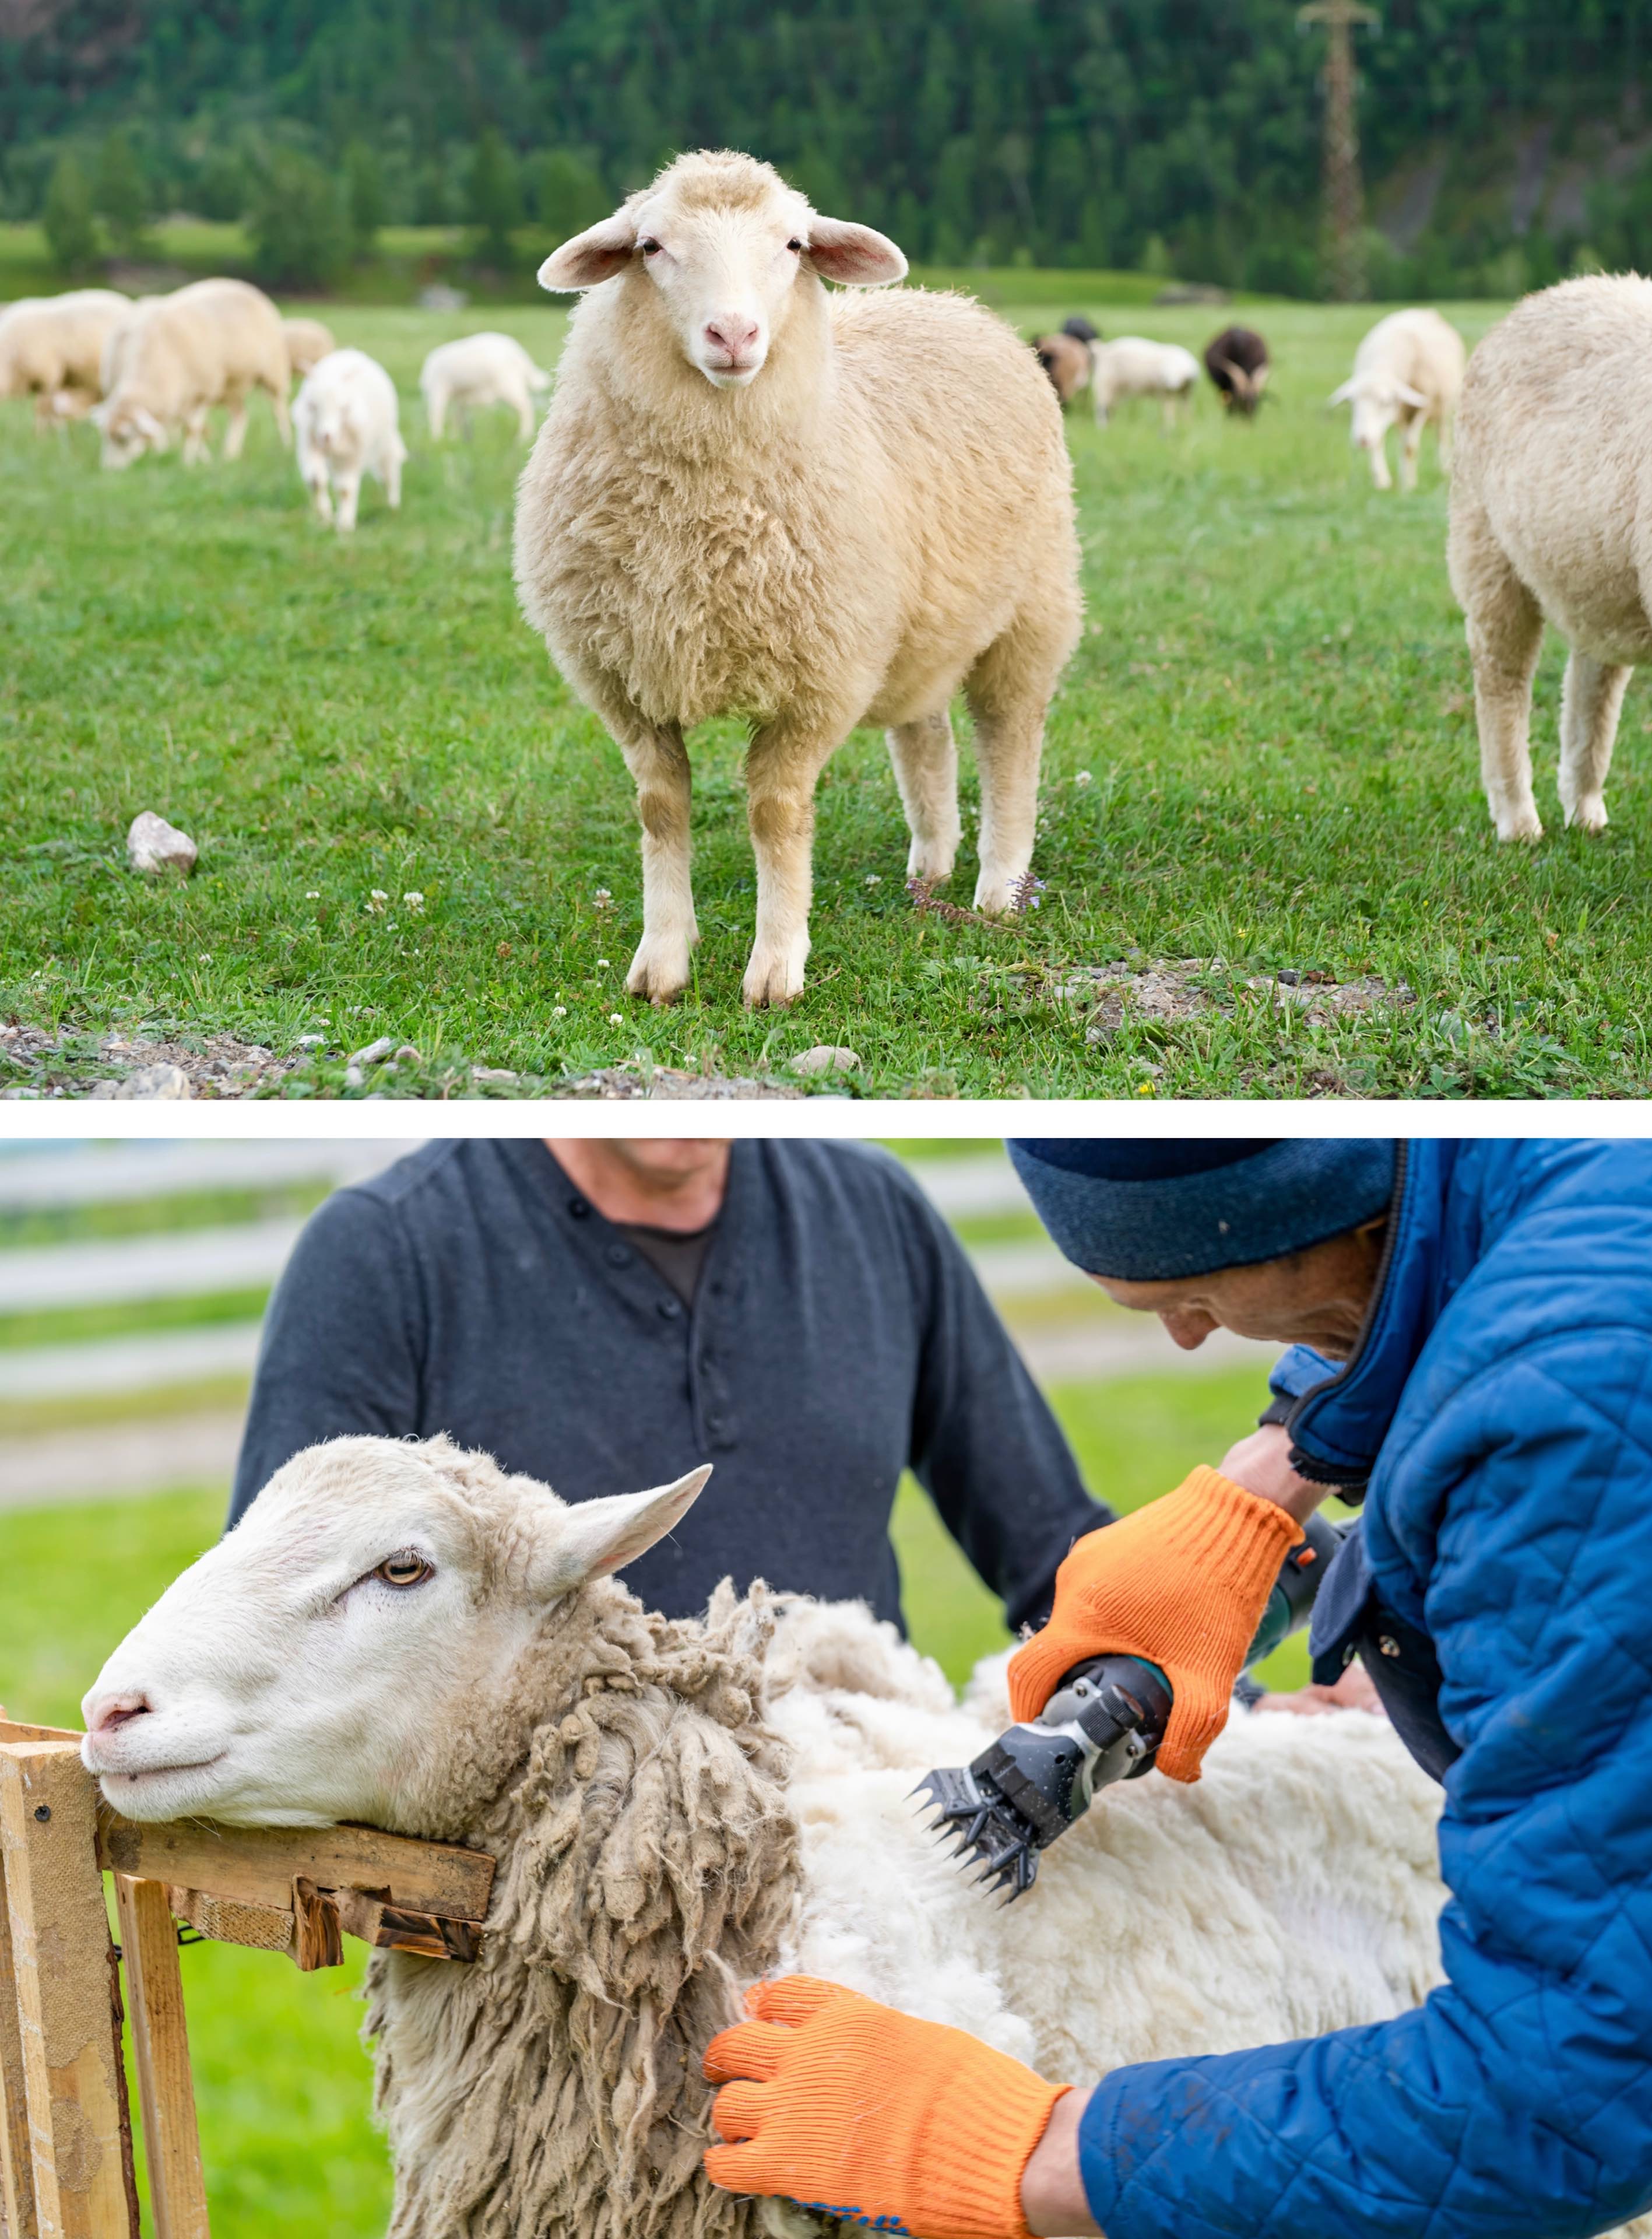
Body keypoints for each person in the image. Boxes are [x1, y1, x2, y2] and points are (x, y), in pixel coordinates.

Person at [702, 1136, 1652, 2239]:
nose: (1184, 1335)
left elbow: (1574, 2089)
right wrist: (1266, 1481)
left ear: (1311, 1209)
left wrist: (1038, 2154)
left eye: (1191, 1290)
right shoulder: (1565, 1184)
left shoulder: (1572, 1415)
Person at [230, 1136, 1112, 1636]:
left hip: (849, 1853)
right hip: (540, 1884)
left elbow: (1046, 1542)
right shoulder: (384, 1250)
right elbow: (273, 1607)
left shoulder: (868, 1209)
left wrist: (1202, 1687)